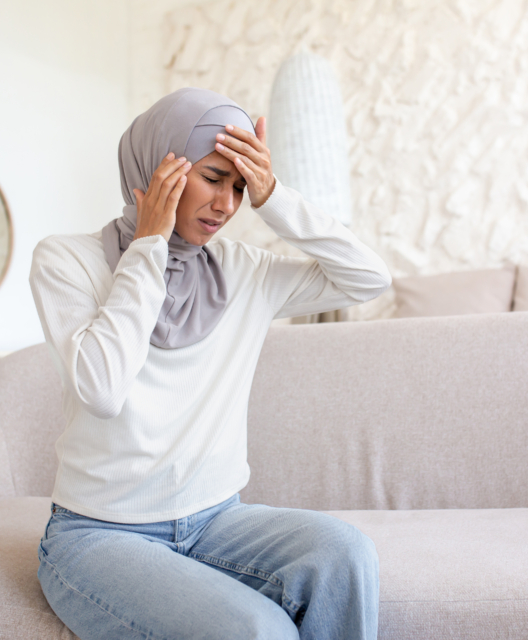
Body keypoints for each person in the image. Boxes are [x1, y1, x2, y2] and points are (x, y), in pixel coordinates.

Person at [29, 86, 392, 640]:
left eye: (241, 186)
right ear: (156, 169)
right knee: (256, 629)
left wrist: (277, 199)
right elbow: (102, 390)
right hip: (99, 535)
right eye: (213, 177)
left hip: (217, 521)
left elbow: (369, 278)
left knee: (345, 556)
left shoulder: (243, 270)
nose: (227, 205)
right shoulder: (66, 259)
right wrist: (148, 246)